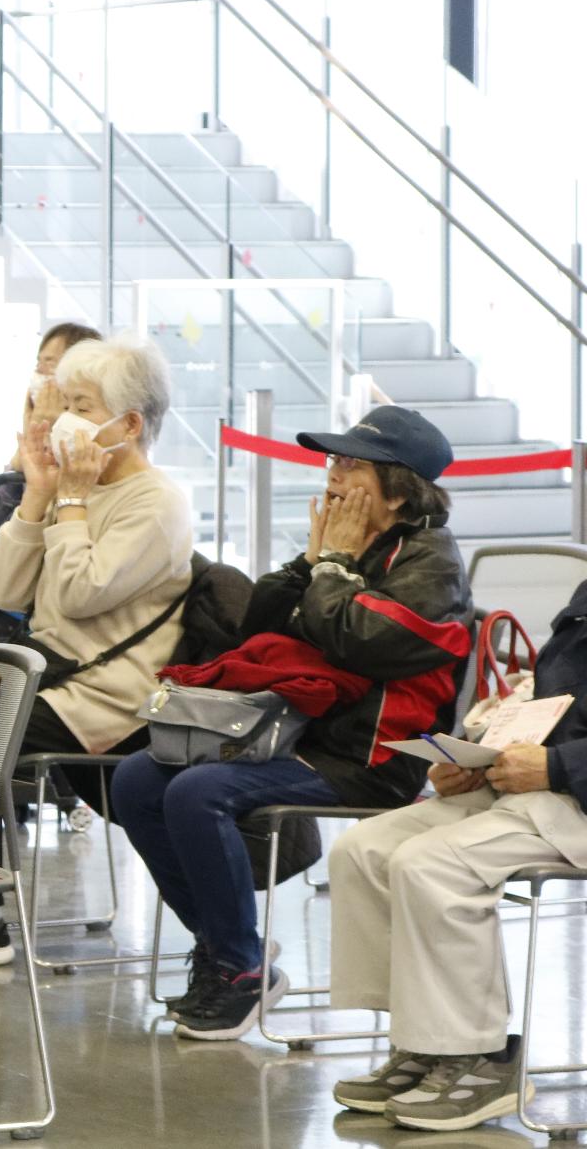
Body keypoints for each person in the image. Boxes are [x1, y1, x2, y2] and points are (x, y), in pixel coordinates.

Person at [112, 405, 470, 1043]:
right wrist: (313, 563)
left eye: (351, 463)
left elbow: (361, 641)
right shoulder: (351, 547)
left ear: (398, 488)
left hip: (376, 760)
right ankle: (230, 948)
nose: (331, 474)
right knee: (140, 777)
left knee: (199, 791)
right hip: (299, 736)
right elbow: (259, 621)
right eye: (332, 459)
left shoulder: (432, 565)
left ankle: (238, 966)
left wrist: (331, 569)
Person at [0, 334, 193, 968]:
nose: (66, 419)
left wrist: (67, 503)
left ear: (129, 423)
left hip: (107, 696)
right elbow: (6, 591)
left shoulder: (156, 503)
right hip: (53, 676)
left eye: (83, 405)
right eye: (63, 401)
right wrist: (39, 494)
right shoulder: (77, 490)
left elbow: (77, 590)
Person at [323, 601, 586, 1133]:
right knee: (364, 849)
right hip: (543, 786)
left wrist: (559, 765)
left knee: (432, 865)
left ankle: (483, 1059)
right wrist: (483, 756)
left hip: (575, 797)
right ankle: (424, 1042)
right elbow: (559, 702)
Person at [0, 321, 101, 533]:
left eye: (49, 363)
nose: (39, 371)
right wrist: (31, 437)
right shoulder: (38, 426)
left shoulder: (89, 441)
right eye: (38, 363)